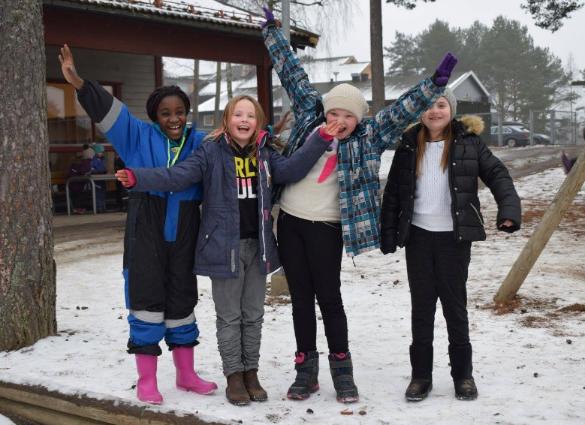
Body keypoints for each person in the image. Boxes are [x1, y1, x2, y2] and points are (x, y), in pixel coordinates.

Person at [261, 8, 457, 404]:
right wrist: (272, 33)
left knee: (328, 297)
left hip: (328, 229)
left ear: (358, 119)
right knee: (300, 297)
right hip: (293, 223)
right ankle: (306, 371)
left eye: (347, 115)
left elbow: (401, 110)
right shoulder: (308, 122)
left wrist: (431, 85)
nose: (338, 119)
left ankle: (342, 371)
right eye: (334, 112)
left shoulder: (368, 138)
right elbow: (293, 75)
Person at [116, 95, 338, 406]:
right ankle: (234, 375)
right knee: (230, 317)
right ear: (227, 120)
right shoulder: (210, 151)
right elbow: (178, 176)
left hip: (257, 247)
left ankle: (251, 373)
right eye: (238, 114)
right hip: (223, 248)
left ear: (258, 122)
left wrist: (321, 138)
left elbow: (291, 170)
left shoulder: (265, 153)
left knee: (254, 315)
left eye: (250, 115)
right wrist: (139, 177)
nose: (244, 120)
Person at [59, 45, 217, 405]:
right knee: (146, 299)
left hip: (186, 227)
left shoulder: (199, 142)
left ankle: (186, 374)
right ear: (154, 116)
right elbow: (107, 110)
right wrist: (80, 83)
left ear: (187, 114)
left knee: (182, 297)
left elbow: (238, 139)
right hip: (146, 227)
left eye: (179, 112)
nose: (173, 118)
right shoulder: (137, 137)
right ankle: (147, 380)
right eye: (165, 113)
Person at [380, 90, 521, 402]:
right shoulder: (407, 145)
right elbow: (394, 192)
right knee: (422, 308)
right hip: (418, 237)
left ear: (451, 110)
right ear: (419, 112)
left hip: (453, 240)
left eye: (441, 105)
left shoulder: (468, 142)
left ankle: (463, 375)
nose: (434, 111)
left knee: (455, 308)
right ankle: (421, 376)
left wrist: (509, 211)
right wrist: (388, 232)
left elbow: (498, 175)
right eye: (429, 105)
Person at [67, 145, 93, 214]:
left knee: (79, 195)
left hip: (77, 182)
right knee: (78, 195)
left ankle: (78, 208)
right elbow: (82, 171)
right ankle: (78, 208)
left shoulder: (78, 163)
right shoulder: (82, 163)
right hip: (76, 183)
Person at [90, 143, 107, 212]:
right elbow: (92, 170)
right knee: (97, 194)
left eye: (102, 152)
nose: (101, 154)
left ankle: (103, 207)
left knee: (102, 193)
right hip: (96, 180)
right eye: (100, 152)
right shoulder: (93, 161)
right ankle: (98, 207)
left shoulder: (102, 160)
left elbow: (104, 168)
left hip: (102, 179)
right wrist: (100, 171)